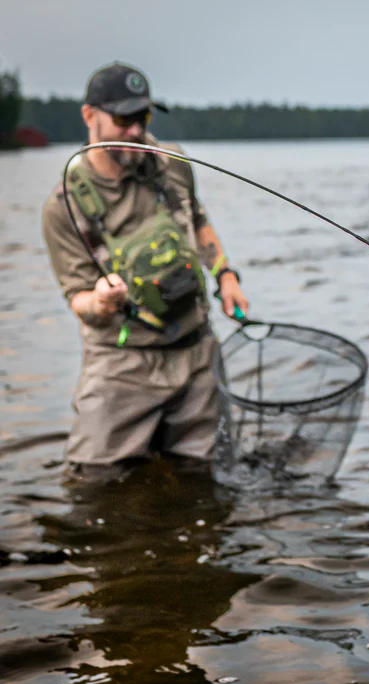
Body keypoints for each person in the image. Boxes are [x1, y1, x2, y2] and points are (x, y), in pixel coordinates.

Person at [42, 62, 249, 481]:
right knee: (93, 484)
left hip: (196, 353)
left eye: (143, 117)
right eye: (123, 119)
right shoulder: (62, 207)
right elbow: (78, 300)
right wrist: (99, 299)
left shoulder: (172, 163)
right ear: (89, 116)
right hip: (122, 363)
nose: (136, 131)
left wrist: (226, 276)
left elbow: (199, 220)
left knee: (205, 478)